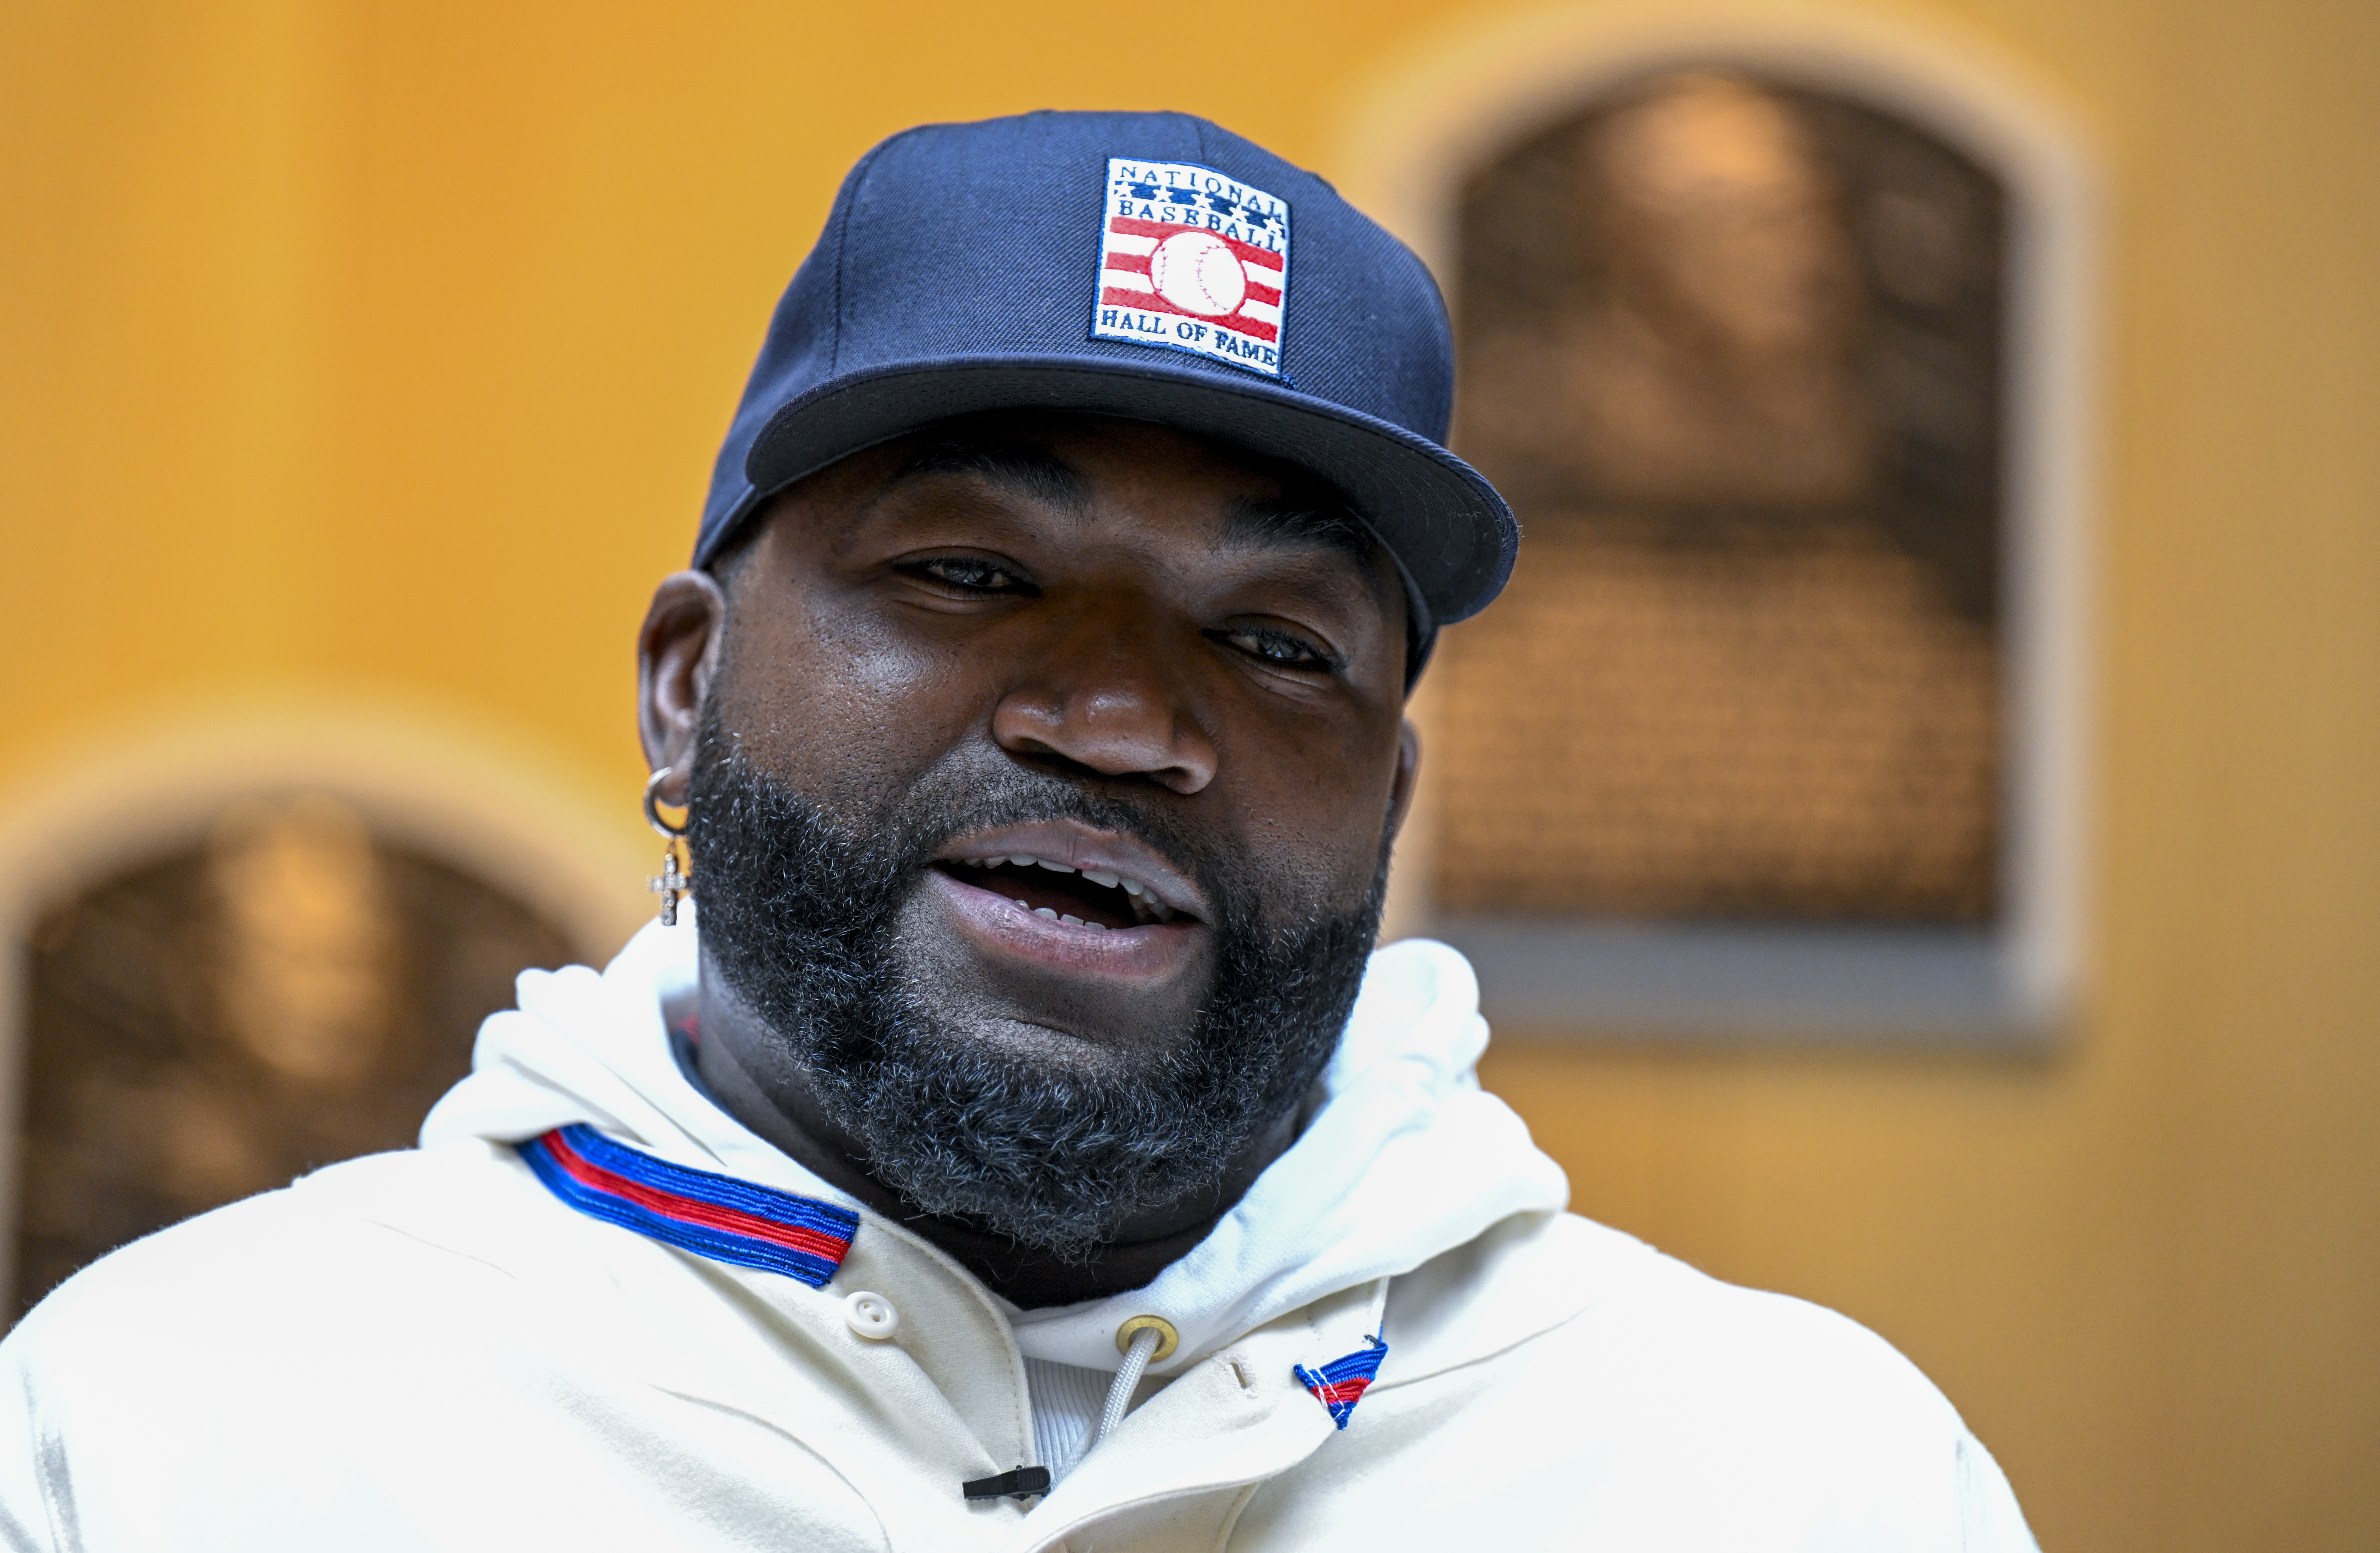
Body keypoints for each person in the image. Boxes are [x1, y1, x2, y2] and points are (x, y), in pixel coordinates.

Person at [0, 111, 2037, 1551]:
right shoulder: (171, 1434)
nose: (1123, 717)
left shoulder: (1794, 1479)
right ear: (687, 684)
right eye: (973, 574)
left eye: (1270, 638)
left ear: (1389, 799)